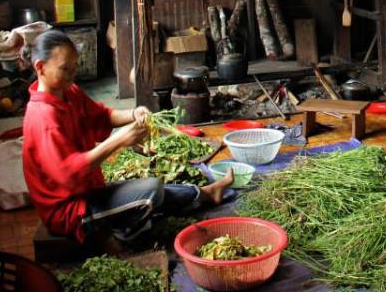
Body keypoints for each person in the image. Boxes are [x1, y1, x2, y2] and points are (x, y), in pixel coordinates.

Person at [22, 30, 233, 248]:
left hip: (89, 190)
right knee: (149, 191)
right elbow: (68, 174)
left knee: (153, 189)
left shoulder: (69, 91)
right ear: (40, 67)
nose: (72, 75)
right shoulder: (43, 117)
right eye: (65, 69)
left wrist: (133, 114)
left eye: (75, 67)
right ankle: (124, 240)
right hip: (70, 210)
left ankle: (206, 194)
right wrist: (118, 140)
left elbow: (102, 116)